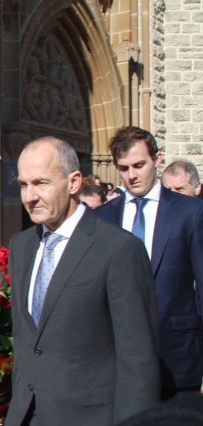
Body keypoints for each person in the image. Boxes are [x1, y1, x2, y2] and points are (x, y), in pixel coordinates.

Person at [6, 136, 160, 426]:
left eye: (41, 183)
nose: (29, 196)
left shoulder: (118, 249)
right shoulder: (21, 246)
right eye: (23, 185)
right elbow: (28, 339)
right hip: (27, 414)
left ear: (74, 182)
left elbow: (139, 360)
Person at [96, 126, 203, 398]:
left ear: (157, 159)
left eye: (139, 165)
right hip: (117, 361)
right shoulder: (103, 218)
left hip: (178, 356)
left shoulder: (189, 212)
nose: (132, 175)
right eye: (124, 168)